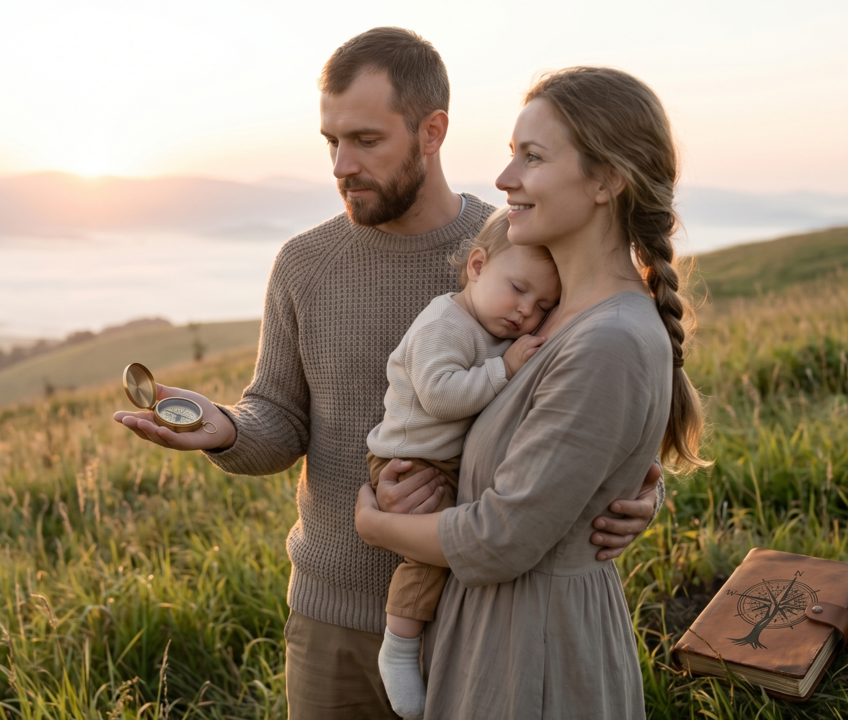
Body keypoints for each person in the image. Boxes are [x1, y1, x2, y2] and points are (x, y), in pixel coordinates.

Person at [113, 28, 664, 718]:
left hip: (473, 613)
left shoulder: (519, 250)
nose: (342, 165)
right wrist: (225, 429)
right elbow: (279, 418)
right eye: (331, 142)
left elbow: (585, 395)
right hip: (332, 618)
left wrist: (631, 493)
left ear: (432, 132)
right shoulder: (303, 265)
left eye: (366, 140)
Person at [354, 66, 709, 719]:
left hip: (533, 654)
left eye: (533, 157)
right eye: (511, 153)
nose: (504, 178)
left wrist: (377, 524)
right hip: (495, 633)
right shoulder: (550, 314)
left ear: (606, 181)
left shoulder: (607, 338)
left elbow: (501, 538)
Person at [367, 207, 561, 718]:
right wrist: (504, 368)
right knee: (432, 552)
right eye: (518, 289)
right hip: (410, 458)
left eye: (543, 305)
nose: (526, 312)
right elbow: (440, 397)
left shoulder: (493, 324)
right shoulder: (444, 323)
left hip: (442, 457)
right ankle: (399, 646)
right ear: (477, 266)